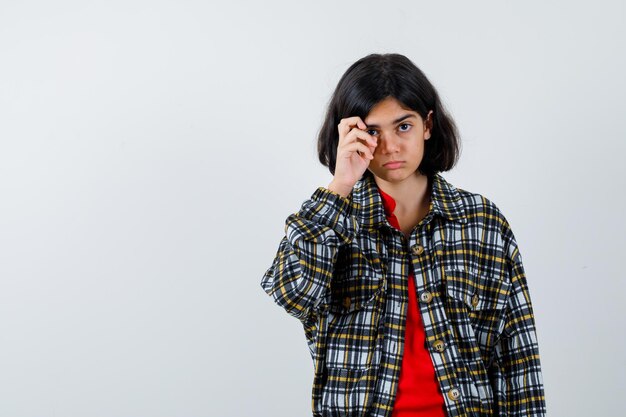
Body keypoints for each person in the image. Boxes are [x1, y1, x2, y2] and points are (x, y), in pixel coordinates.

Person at [260, 53, 546, 417]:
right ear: (349, 134)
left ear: (427, 124)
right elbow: (293, 295)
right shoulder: (331, 221)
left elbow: (516, 358)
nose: (390, 146)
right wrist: (341, 183)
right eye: (372, 131)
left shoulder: (481, 222)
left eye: (403, 126)